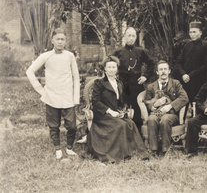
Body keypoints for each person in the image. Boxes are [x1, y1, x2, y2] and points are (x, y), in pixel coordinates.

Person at [26, 28, 80, 160]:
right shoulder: (46, 56)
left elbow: (76, 77)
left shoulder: (70, 56)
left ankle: (69, 147)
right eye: (58, 39)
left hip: (67, 96)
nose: (60, 42)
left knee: (72, 126)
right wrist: (42, 91)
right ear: (52, 41)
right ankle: (57, 148)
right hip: (51, 97)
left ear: (65, 41)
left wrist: (76, 98)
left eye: (62, 39)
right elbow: (30, 71)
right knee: (54, 125)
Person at [87, 56, 149, 163]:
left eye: (113, 67)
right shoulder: (99, 83)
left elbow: (121, 101)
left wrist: (122, 111)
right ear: (105, 69)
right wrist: (110, 112)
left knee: (131, 123)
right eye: (109, 67)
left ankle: (140, 153)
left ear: (117, 69)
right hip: (102, 115)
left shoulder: (119, 83)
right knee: (121, 125)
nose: (111, 70)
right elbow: (96, 102)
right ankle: (120, 155)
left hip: (115, 114)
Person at [113, 27, 155, 131]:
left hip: (137, 84)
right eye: (129, 36)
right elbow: (111, 64)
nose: (131, 38)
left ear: (136, 38)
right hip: (122, 84)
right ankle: (123, 132)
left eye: (133, 36)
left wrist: (145, 76)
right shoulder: (118, 52)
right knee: (122, 107)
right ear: (125, 37)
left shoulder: (141, 51)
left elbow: (152, 64)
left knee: (137, 109)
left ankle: (138, 133)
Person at [144, 60, 188, 156]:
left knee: (165, 119)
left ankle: (165, 150)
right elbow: (147, 102)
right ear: (157, 72)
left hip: (171, 115)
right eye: (161, 70)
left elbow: (184, 98)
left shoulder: (176, 84)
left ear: (169, 71)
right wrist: (155, 105)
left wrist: (170, 106)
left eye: (165, 69)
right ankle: (153, 150)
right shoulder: (151, 86)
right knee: (151, 119)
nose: (163, 72)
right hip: (156, 113)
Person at [174, 21, 207, 116]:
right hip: (185, 82)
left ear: (200, 32)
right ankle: (181, 126)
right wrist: (183, 74)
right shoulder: (186, 46)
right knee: (183, 106)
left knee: (197, 108)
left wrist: (190, 75)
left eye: (194, 32)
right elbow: (179, 62)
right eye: (190, 32)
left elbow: (206, 65)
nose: (192, 34)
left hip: (199, 82)